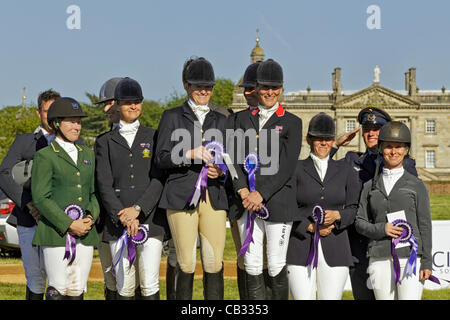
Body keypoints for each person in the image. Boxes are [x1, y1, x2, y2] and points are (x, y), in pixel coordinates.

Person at [228, 59, 303, 299]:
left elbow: (287, 166)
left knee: (275, 262)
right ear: (256, 88)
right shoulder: (239, 120)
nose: (270, 92)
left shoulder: (292, 122)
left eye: (275, 88)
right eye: (265, 87)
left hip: (278, 202)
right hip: (246, 203)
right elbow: (232, 159)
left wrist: (261, 193)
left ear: (281, 88)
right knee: (251, 263)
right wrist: (242, 191)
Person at [155, 57, 228, 300]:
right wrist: (188, 154)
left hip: (214, 197)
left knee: (214, 262)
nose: (204, 91)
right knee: (186, 262)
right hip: (181, 196)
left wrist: (221, 170)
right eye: (198, 86)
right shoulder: (171, 116)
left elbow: (231, 157)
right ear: (186, 86)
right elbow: (161, 157)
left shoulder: (222, 119)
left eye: (208, 86)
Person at [329, 106, 417, 300]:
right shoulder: (352, 160)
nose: (370, 133)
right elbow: (318, 171)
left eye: (376, 129)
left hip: (389, 243)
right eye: (367, 129)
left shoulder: (406, 165)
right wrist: (335, 145)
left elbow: (413, 205)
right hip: (358, 245)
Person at [0, 90, 79, 300]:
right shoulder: (24, 141)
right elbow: (4, 173)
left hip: (63, 222)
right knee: (35, 279)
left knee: (63, 280)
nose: (52, 116)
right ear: (38, 112)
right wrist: (28, 203)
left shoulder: (75, 142)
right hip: (30, 221)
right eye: (47, 112)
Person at [95, 77, 165, 300]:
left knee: (149, 283)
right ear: (117, 105)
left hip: (149, 220)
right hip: (119, 222)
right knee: (124, 286)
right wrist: (124, 216)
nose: (133, 106)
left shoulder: (154, 136)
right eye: (128, 103)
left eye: (137, 101)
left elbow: (158, 178)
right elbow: (104, 184)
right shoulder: (104, 141)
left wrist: (138, 209)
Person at [355, 121, 432, 300]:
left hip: (410, 258)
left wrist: (426, 261)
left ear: (406, 150)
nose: (393, 151)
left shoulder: (417, 185)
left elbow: (425, 225)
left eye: (399, 147)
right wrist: (383, 229)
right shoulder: (369, 186)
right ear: (381, 148)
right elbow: (360, 222)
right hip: (378, 256)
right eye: (388, 146)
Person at [31, 97, 98, 300]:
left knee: (77, 288)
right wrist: (69, 224)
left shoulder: (87, 154)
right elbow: (41, 198)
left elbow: (92, 194)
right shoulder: (45, 156)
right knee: (58, 288)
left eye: (78, 121)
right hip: (56, 233)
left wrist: (89, 217)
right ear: (56, 123)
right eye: (70, 121)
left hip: (85, 233)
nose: (76, 126)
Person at [286, 112, 359, 300]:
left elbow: (355, 208)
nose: (323, 143)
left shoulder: (346, 170)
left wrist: (337, 216)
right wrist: (307, 226)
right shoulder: (295, 169)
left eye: (327, 139)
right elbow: (286, 205)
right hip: (300, 246)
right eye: (318, 139)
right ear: (309, 139)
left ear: (333, 140)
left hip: (336, 247)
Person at [93, 77, 123, 300]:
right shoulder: (101, 140)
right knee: (111, 280)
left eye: (109, 103)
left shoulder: (148, 137)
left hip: (137, 220)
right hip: (107, 223)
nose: (105, 109)